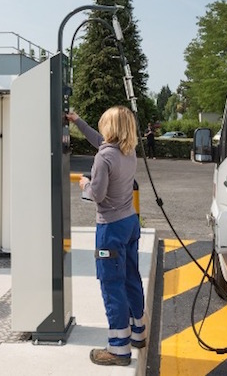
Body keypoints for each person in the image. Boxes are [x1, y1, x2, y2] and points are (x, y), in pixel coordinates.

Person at [66, 107, 146, 366]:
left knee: (112, 285)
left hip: (110, 228)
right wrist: (77, 120)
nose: (100, 129)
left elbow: (96, 195)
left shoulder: (104, 158)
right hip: (130, 223)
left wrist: (84, 184)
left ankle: (118, 350)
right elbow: (97, 141)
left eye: (103, 125)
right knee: (131, 277)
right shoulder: (127, 150)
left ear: (110, 128)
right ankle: (137, 333)